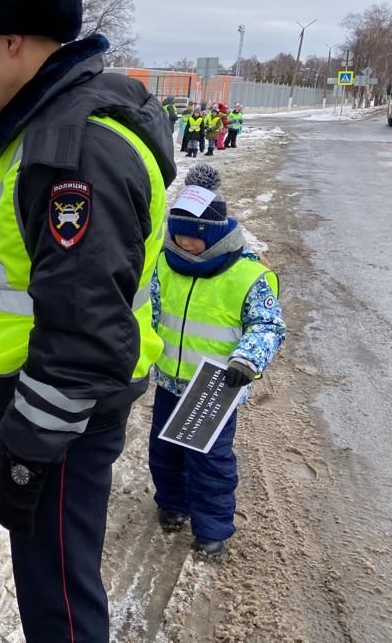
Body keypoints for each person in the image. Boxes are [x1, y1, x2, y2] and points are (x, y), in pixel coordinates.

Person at [0, 0, 176, 642]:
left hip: (65, 413)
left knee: (60, 601)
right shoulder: (49, 128)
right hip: (53, 402)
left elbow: (84, 329)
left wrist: (31, 443)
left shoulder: (71, 148)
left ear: (14, 41)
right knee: (50, 581)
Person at [148, 163, 286, 560]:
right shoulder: (165, 263)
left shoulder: (247, 275)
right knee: (165, 451)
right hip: (171, 383)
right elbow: (150, 312)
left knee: (210, 464)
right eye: (176, 235)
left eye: (191, 238)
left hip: (214, 390)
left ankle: (212, 528)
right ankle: (172, 504)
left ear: (212, 235)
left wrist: (247, 358)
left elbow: (268, 326)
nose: (182, 244)